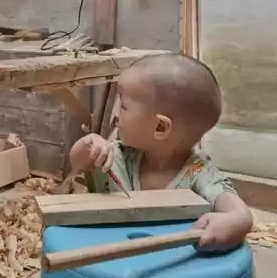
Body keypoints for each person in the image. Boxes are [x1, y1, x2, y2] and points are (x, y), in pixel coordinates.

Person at [70, 54, 253, 251]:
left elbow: (235, 208)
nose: (115, 116)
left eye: (123, 107)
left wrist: (238, 220)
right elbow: (78, 160)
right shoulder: (118, 155)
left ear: (160, 127)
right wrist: (90, 144)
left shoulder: (197, 172)